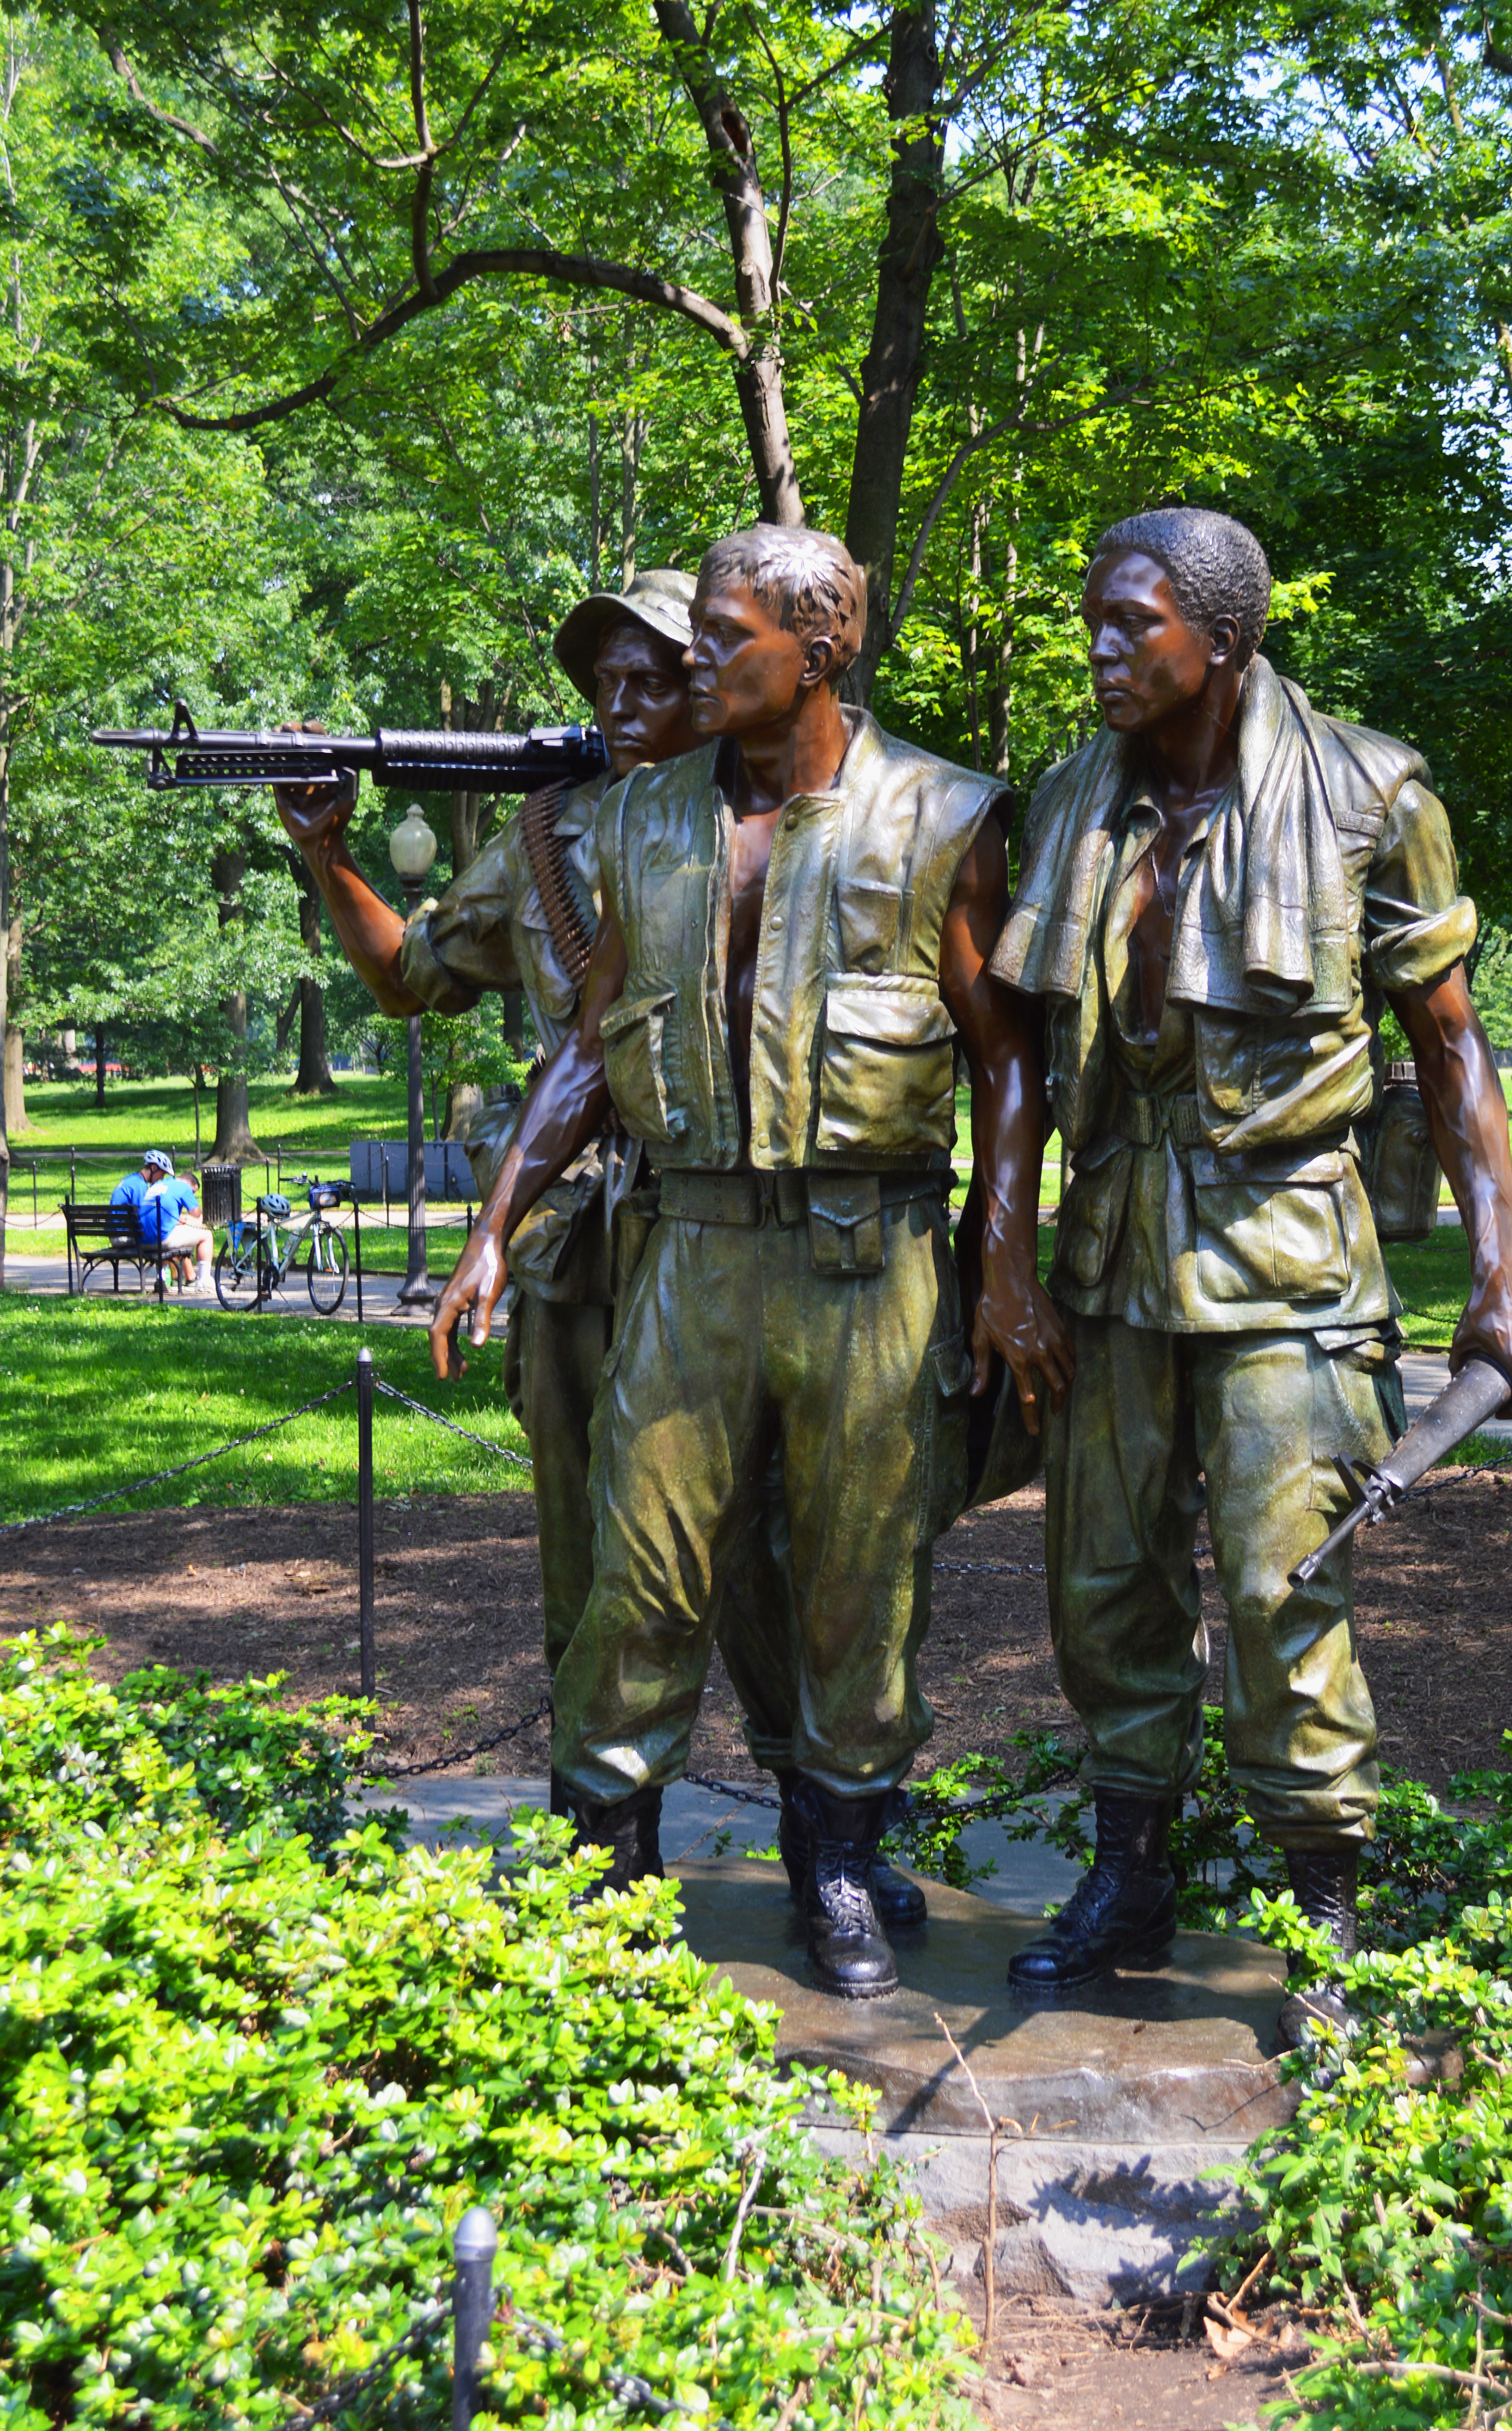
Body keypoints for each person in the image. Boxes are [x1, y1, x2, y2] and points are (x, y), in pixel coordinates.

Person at [431, 524, 1072, 2000]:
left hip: (870, 1257)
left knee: (859, 1574)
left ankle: (835, 1856)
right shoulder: (632, 823)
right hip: (692, 1251)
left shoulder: (942, 815)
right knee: (639, 1570)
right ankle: (609, 1860)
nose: (695, 661)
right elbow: (592, 1054)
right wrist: (491, 1229)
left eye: (727, 638)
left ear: (821, 648)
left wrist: (1003, 1264)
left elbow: (1005, 1066)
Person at [272, 569, 927, 1926]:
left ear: (726, 678)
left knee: (798, 1550)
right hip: (595, 1243)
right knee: (606, 1555)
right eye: (601, 686)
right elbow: (412, 977)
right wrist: (330, 856)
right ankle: (608, 1848)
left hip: (776, 1239)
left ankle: (831, 1834)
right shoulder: (557, 837)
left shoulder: (821, 825)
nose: (622, 706)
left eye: (656, 676)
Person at [988, 506, 1512, 2039]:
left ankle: (1324, 1908)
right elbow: (1028, 1063)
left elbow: (1448, 1051)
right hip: (1108, 1257)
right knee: (1099, 1586)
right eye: (1090, 623)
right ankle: (1130, 1869)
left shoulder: (1373, 792)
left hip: (1289, 1264)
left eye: (1133, 626)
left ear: (1222, 642)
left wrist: (1501, 1273)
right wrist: (1005, 1257)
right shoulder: (1067, 800)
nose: (1100, 651)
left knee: (1277, 1592)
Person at [144, 1160, 214, 1291]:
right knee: (207, 1235)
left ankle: (162, 1278)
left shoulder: (159, 1185)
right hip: (161, 1240)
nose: (192, 1194)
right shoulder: (184, 1187)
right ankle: (205, 1280)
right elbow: (196, 1214)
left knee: (168, 1233)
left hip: (142, 1239)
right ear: (188, 1183)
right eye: (193, 1192)